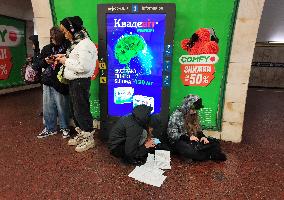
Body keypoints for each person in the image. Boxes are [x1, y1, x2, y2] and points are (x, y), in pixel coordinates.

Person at [56, 16, 98, 152]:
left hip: (80, 82)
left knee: (81, 110)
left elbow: (83, 67)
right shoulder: (77, 44)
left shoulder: (85, 44)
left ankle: (89, 138)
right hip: (74, 82)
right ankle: (82, 134)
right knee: (76, 110)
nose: (64, 34)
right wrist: (63, 57)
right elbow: (77, 59)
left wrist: (65, 61)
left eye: (65, 31)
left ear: (72, 29)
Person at [167, 94, 226, 162]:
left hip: (193, 141)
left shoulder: (194, 114)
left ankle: (198, 155)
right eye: (193, 109)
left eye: (196, 109)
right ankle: (209, 155)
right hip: (181, 141)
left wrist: (202, 137)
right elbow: (171, 135)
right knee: (185, 148)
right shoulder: (176, 115)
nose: (195, 111)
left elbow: (198, 129)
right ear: (188, 106)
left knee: (215, 142)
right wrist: (188, 138)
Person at [36, 27, 71, 139]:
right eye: (52, 37)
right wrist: (45, 61)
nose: (53, 39)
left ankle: (65, 127)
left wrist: (61, 58)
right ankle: (50, 128)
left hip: (61, 81)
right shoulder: (47, 48)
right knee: (47, 106)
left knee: (62, 106)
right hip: (47, 80)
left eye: (56, 37)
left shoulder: (67, 46)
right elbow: (39, 64)